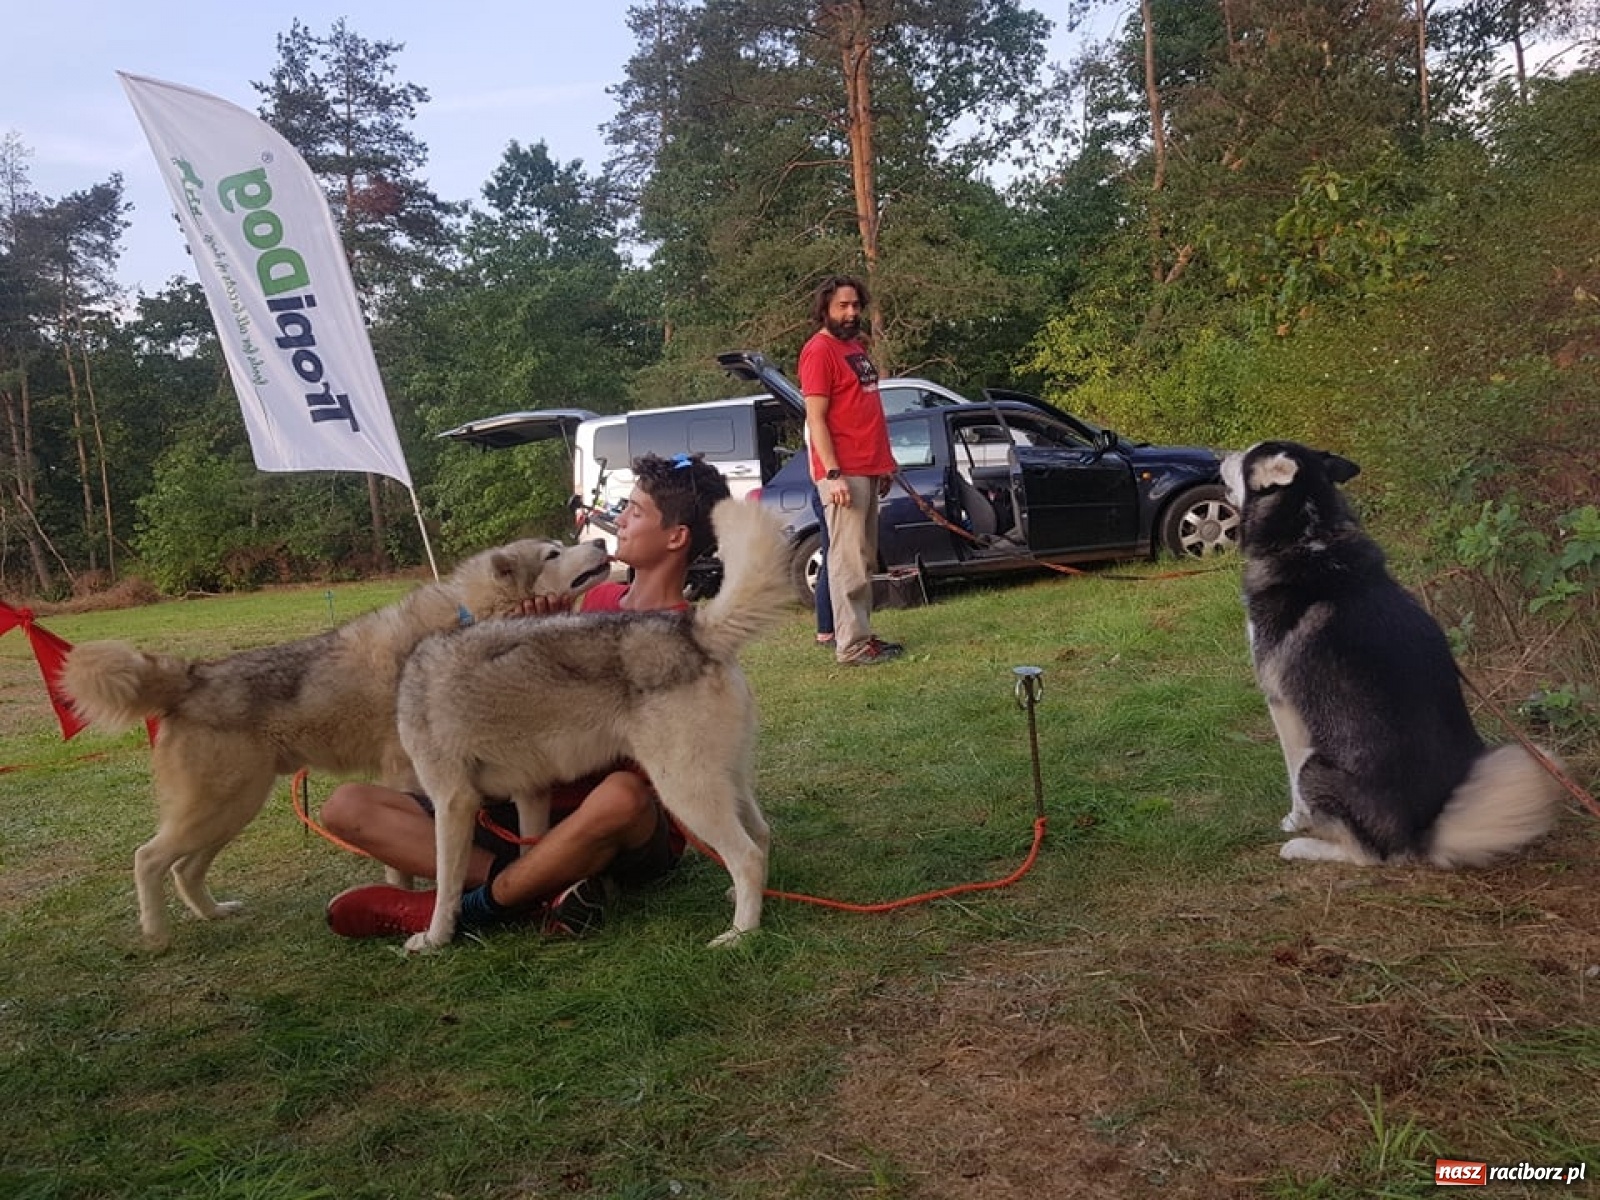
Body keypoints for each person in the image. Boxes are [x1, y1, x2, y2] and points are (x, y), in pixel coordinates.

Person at [322, 452, 732, 940]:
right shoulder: (594, 600)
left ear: (676, 537)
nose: (620, 519)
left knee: (621, 796)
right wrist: (524, 647)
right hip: (523, 805)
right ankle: (533, 890)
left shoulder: (686, 639)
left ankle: (469, 907)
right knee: (346, 806)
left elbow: (669, 756)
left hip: (611, 821)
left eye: (635, 511)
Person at [800, 273, 903, 666]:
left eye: (856, 305)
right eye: (842, 306)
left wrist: (884, 463)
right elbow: (816, 419)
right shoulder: (818, 351)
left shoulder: (855, 347)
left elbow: (866, 410)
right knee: (847, 562)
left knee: (864, 559)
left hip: (868, 466)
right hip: (842, 472)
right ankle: (852, 646)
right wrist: (832, 474)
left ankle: (862, 637)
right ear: (824, 308)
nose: (851, 312)